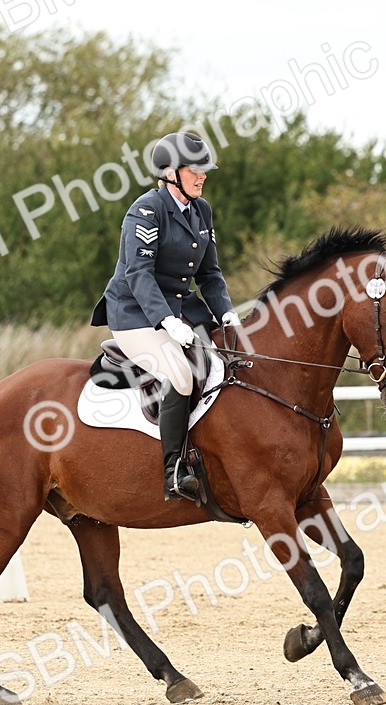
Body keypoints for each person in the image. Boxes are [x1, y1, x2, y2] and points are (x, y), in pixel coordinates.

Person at [90, 132, 240, 501]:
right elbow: (137, 274)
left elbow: (210, 274)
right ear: (171, 172)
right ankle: (174, 469)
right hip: (134, 313)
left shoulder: (201, 210)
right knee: (182, 374)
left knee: (235, 360)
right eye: (195, 170)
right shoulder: (146, 210)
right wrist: (166, 322)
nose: (202, 176)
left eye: (205, 170)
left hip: (182, 308)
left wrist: (227, 314)